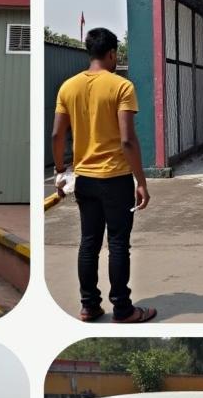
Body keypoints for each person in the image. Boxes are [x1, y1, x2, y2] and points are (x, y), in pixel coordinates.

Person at [51, 26, 156, 324]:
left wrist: (61, 172)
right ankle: (122, 309)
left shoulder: (68, 87)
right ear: (112, 54)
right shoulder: (121, 86)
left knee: (89, 242)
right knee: (119, 244)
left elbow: (57, 134)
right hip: (116, 177)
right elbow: (127, 140)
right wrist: (141, 181)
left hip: (84, 179)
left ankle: (89, 306)